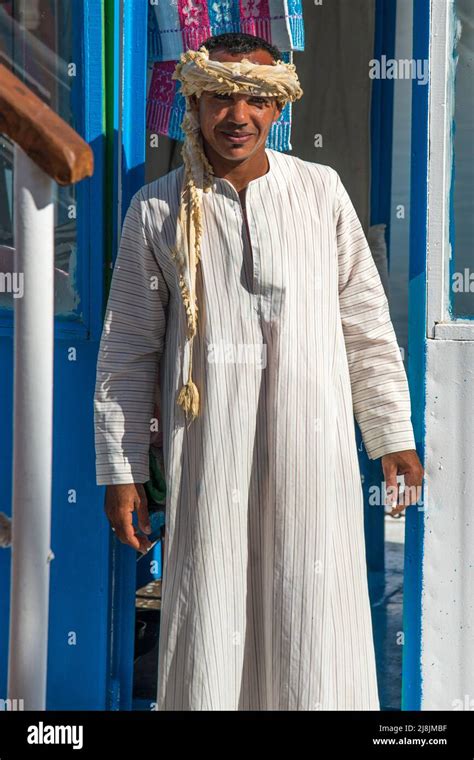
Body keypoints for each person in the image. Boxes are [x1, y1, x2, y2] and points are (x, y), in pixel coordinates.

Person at [94, 32, 424, 711]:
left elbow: (365, 324)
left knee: (312, 607)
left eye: (254, 99)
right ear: (195, 100)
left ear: (278, 111)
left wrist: (392, 433)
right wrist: (122, 471)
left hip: (314, 453)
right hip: (208, 453)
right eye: (220, 95)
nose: (236, 114)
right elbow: (128, 347)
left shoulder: (320, 191)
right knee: (212, 598)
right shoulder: (155, 209)